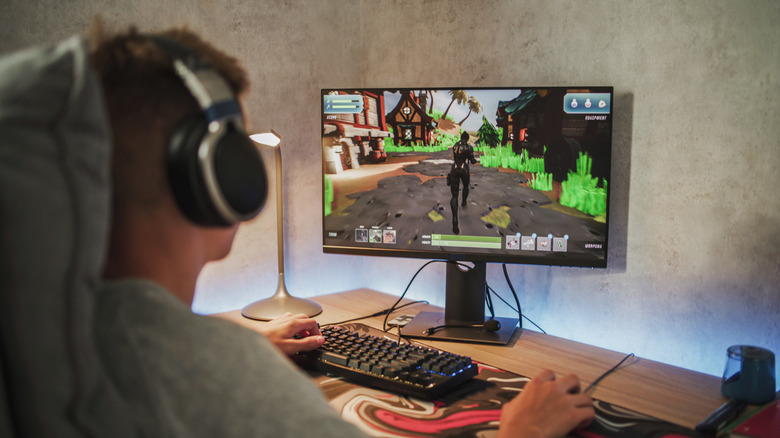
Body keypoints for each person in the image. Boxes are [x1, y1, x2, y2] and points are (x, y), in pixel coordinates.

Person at [89, 23, 594, 438]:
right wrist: (520, 434)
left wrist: (243, 352)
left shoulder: (71, 342)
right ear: (217, 181)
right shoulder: (238, 382)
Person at [447, 131, 478, 234]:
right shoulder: (469, 147)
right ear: (467, 138)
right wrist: (474, 161)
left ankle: (455, 219)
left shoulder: (455, 145)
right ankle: (464, 201)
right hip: (464, 169)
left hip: (454, 169)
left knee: (454, 196)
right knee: (465, 186)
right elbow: (472, 160)